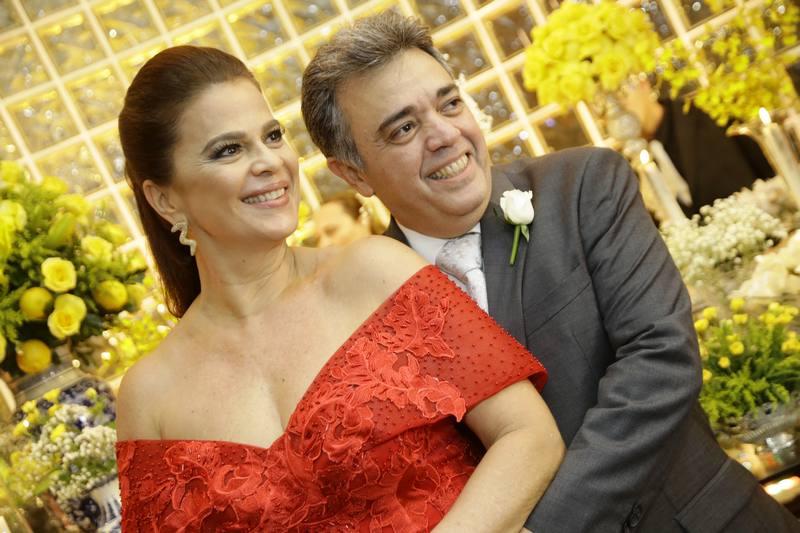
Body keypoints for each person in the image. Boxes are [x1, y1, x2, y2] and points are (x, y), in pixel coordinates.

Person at [301, 10, 800, 532]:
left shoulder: (584, 187)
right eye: (404, 128)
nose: (445, 134)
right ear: (353, 173)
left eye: (450, 103)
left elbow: (660, 359)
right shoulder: (363, 307)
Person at [113, 45, 563, 532]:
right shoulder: (149, 396)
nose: (269, 162)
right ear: (165, 200)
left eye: (272, 136)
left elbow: (528, 433)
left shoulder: (375, 272)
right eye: (229, 150)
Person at [619, 79, 775, 216]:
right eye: (607, 109)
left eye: (622, 94)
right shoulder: (626, 170)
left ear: (643, 84)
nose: (618, 110)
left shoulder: (707, 110)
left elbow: (769, 166)